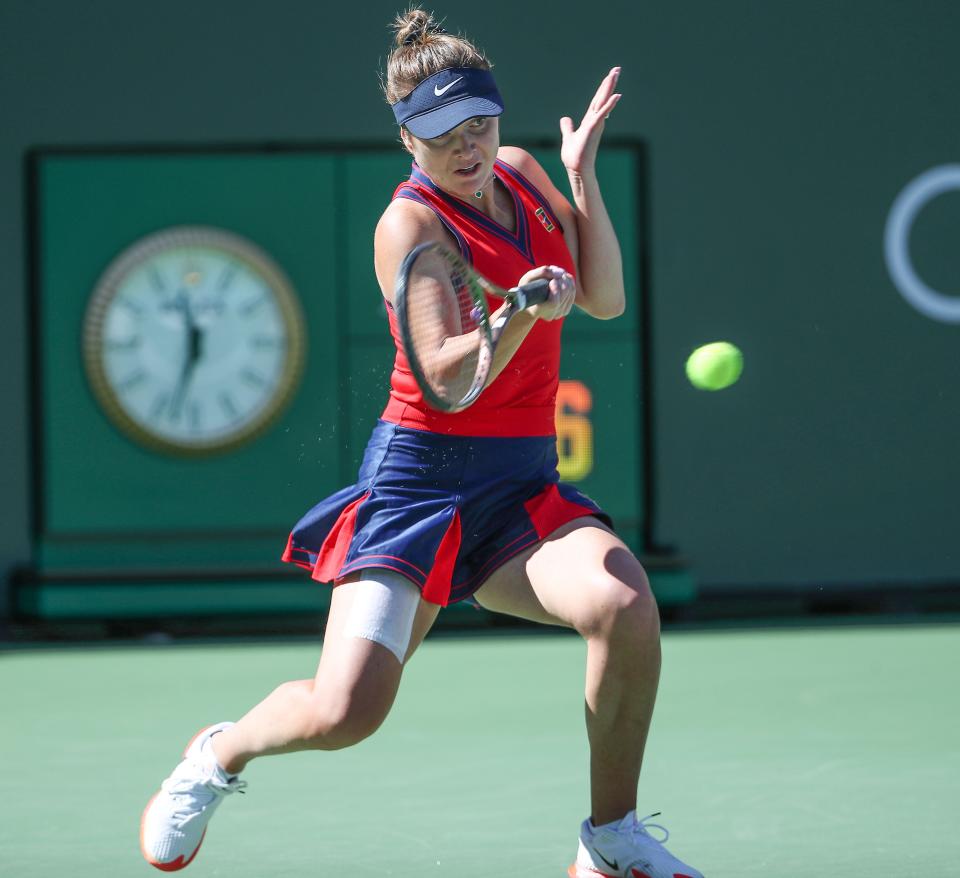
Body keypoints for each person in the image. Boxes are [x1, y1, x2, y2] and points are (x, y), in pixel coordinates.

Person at [139, 9, 704, 878]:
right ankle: (218, 753)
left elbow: (602, 297)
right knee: (345, 714)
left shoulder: (520, 173)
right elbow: (448, 379)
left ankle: (610, 839)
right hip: (417, 488)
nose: (469, 148)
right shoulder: (409, 227)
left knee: (624, 609)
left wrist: (582, 178)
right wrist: (517, 309)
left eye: (479, 124)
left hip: (519, 486)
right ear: (408, 138)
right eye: (444, 135)